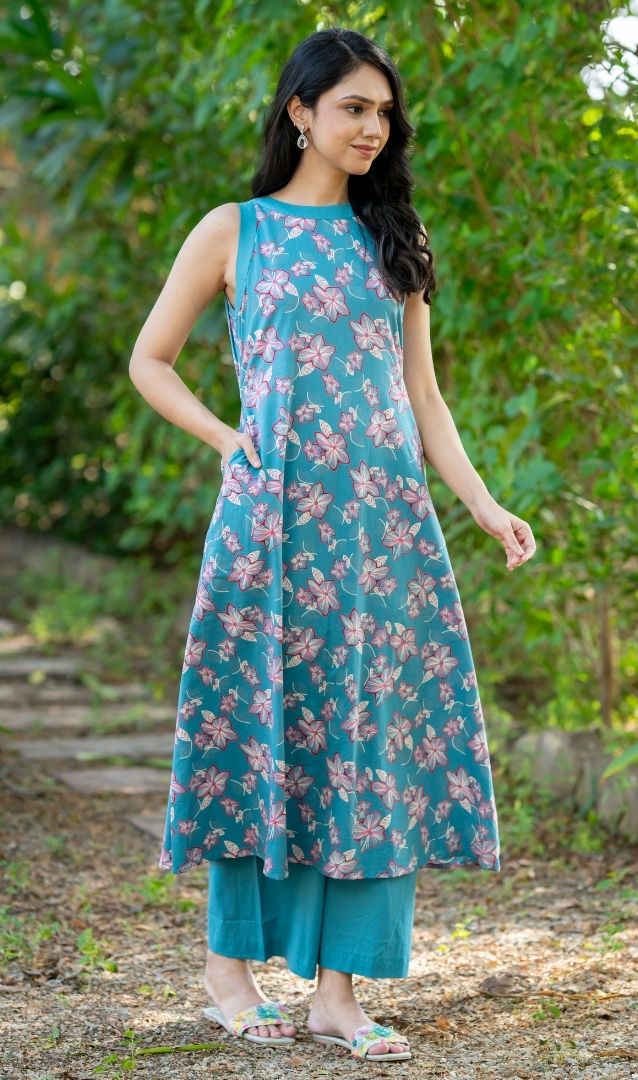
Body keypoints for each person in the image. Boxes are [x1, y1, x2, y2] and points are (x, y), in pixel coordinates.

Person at [129, 25, 536, 1063]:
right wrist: (229, 440)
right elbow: (152, 360)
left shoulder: (393, 238)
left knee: (368, 748)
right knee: (254, 730)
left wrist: (483, 504)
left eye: (383, 112)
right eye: (354, 107)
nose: (372, 128)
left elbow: (422, 397)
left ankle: (336, 995)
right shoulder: (235, 230)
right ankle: (228, 973)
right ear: (300, 112)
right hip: (269, 530)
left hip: (379, 536)